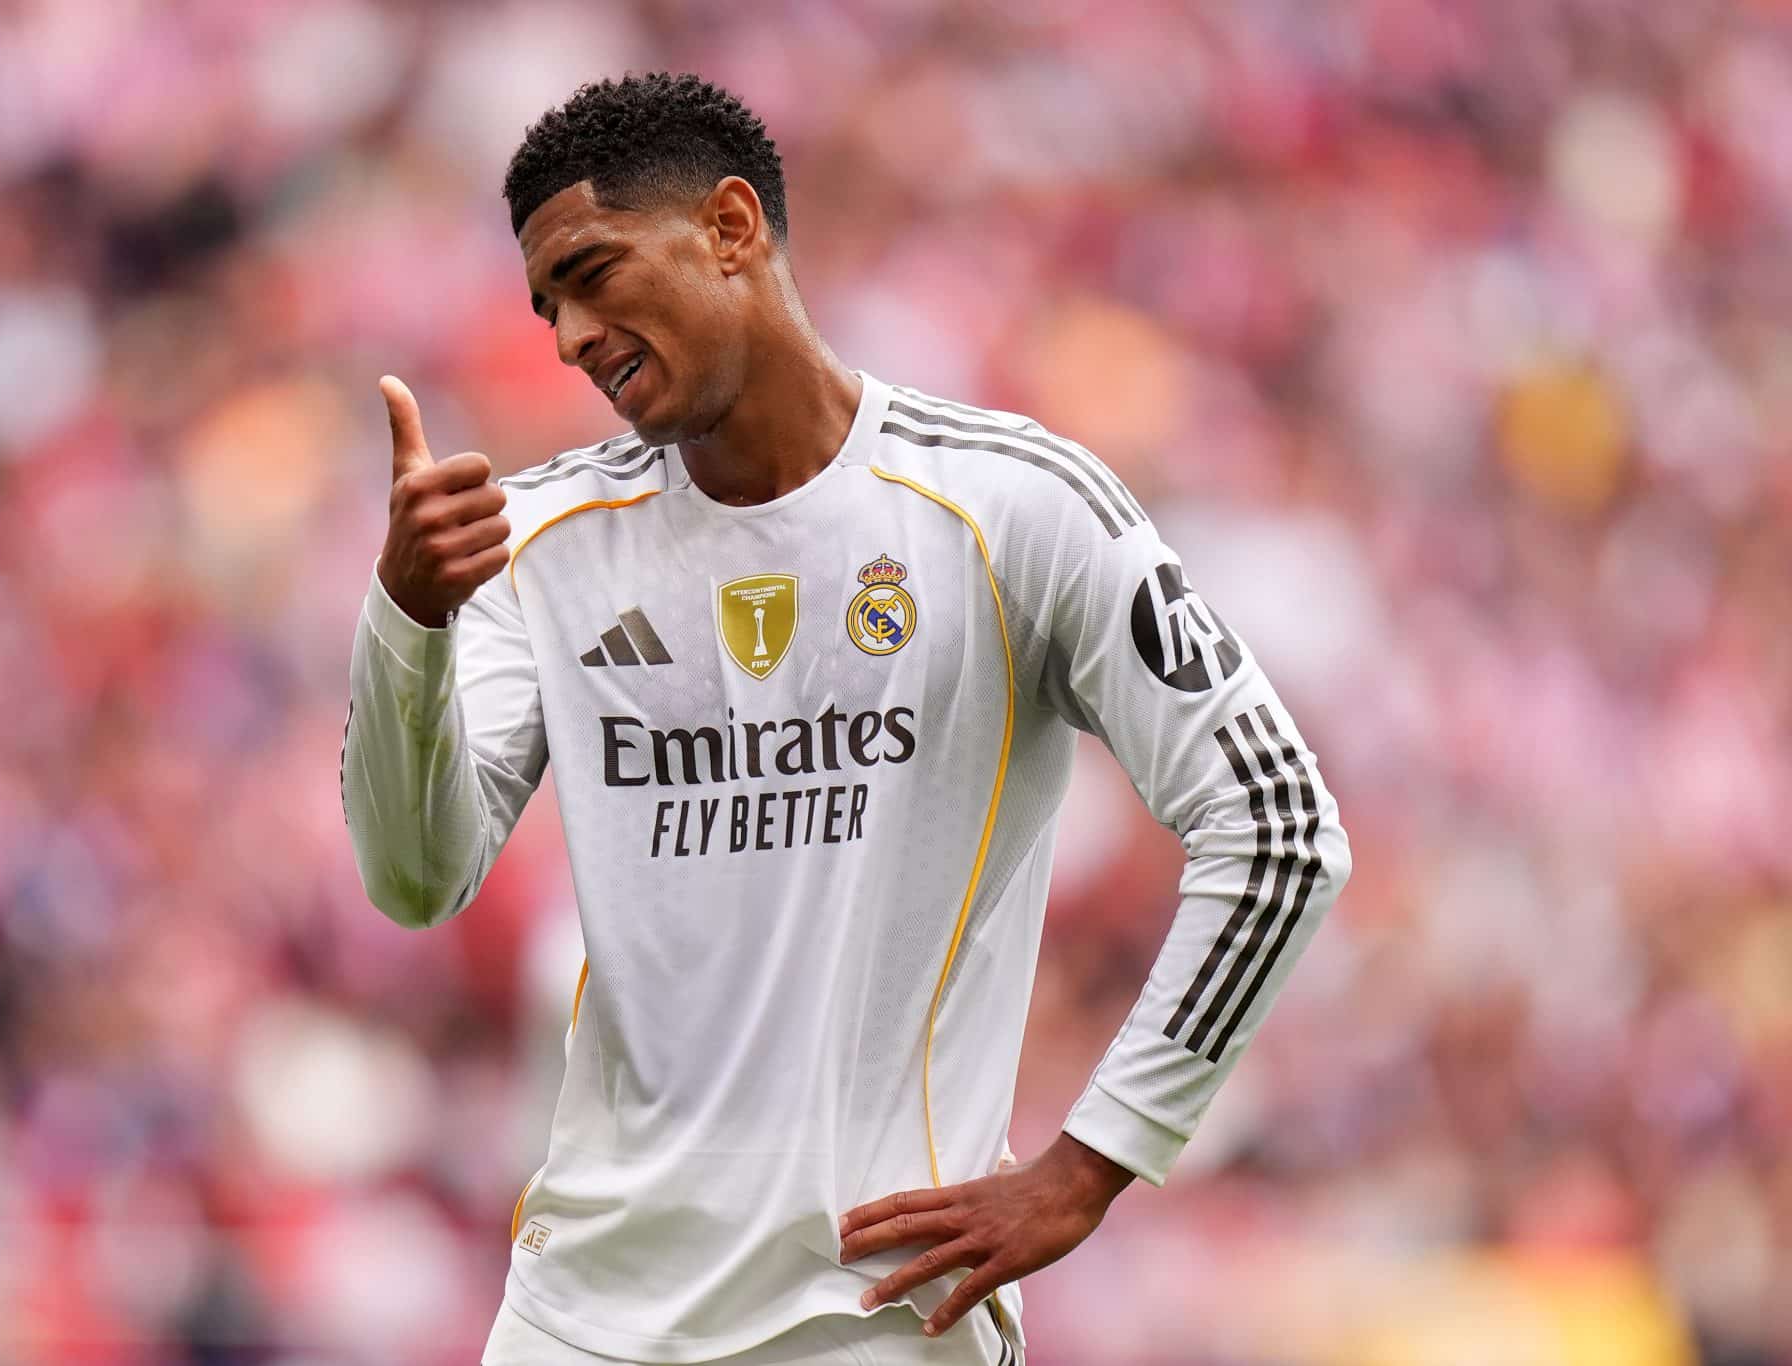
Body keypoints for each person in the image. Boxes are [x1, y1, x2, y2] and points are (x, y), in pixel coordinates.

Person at [342, 71, 1351, 1365]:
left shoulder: (1012, 508)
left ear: (730, 226)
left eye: (590, 273)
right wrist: (406, 622)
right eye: (547, 308)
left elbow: (1278, 826)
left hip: (870, 1318)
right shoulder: (537, 541)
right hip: (579, 1318)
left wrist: (1095, 1159)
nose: (569, 337)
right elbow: (415, 878)